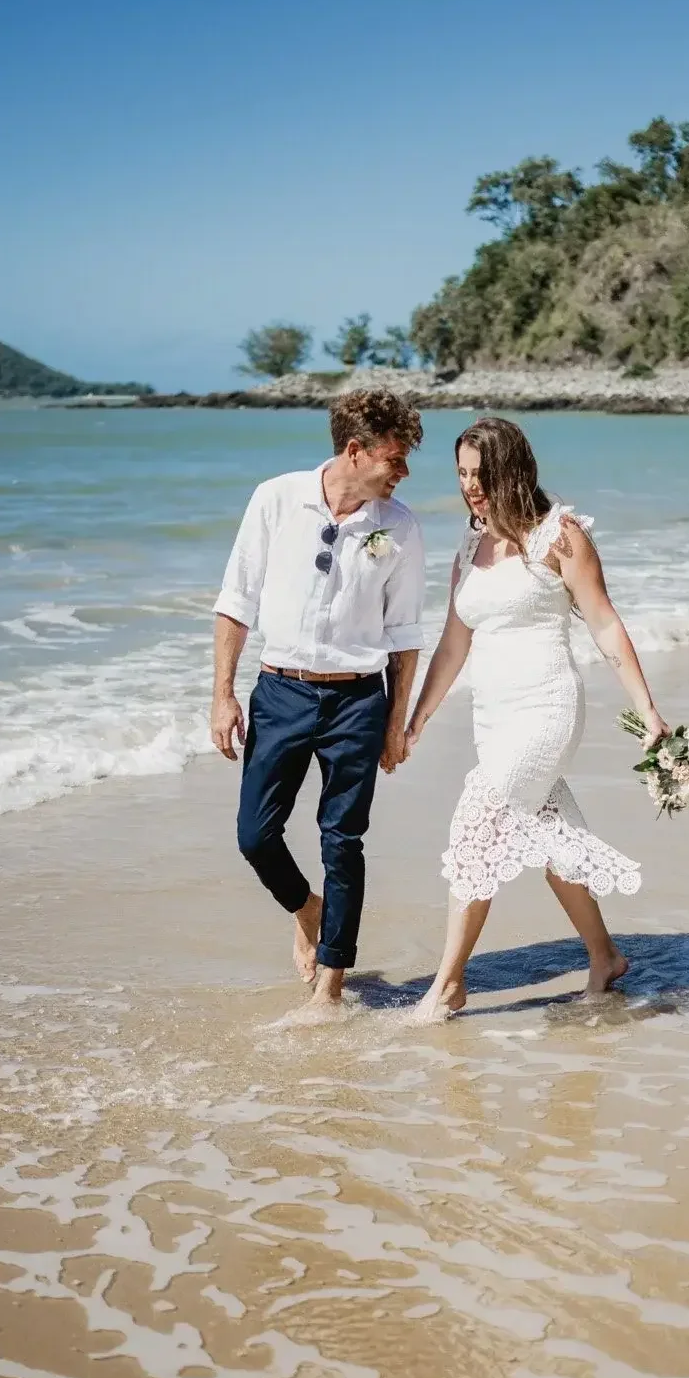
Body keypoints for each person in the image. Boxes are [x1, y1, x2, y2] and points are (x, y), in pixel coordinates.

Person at [404, 416, 667, 1021]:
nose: (471, 486)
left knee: (476, 821)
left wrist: (647, 711)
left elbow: (603, 623)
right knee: (553, 840)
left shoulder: (560, 535)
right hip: (493, 721)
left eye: (481, 473)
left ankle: (448, 983)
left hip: (546, 709)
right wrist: (415, 721)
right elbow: (452, 645)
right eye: (463, 474)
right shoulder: (470, 548)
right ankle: (605, 957)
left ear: (512, 469)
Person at [211, 387, 426, 1020]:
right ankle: (307, 908)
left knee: (343, 841)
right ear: (355, 451)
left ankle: (331, 987)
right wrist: (222, 694)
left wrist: (397, 723)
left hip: (359, 701)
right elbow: (236, 601)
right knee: (256, 836)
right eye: (395, 458)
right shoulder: (276, 499)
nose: (404, 472)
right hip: (280, 692)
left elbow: (406, 634)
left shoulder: (401, 526)